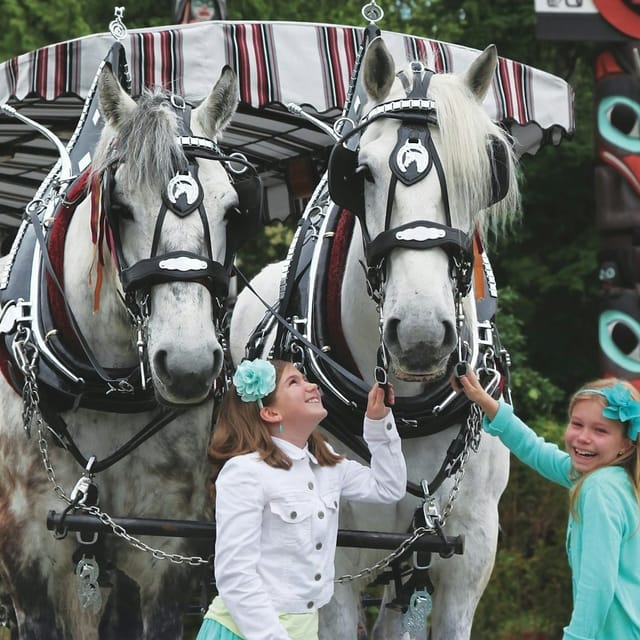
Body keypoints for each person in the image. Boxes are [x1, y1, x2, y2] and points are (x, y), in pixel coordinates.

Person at [197, 358, 407, 640]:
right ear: (270, 413)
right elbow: (235, 576)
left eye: (306, 379)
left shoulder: (328, 467)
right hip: (247, 632)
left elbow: (390, 486)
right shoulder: (245, 473)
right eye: (294, 382)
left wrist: (379, 422)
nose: (312, 386)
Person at [452, 366, 640, 640]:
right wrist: (487, 403)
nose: (583, 437)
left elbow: (598, 584)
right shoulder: (615, 479)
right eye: (577, 424)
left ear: (626, 443)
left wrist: (577, 638)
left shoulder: (600, 489)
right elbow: (537, 450)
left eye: (600, 430)